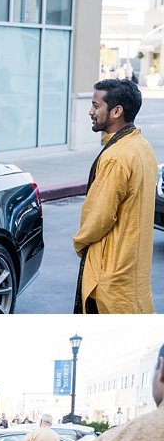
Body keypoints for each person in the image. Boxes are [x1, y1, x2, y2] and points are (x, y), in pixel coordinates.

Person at [74, 77, 156, 314]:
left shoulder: (116, 157)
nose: (91, 111)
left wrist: (79, 242)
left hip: (110, 276)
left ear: (117, 111)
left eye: (96, 106)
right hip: (134, 275)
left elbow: (99, 217)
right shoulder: (142, 147)